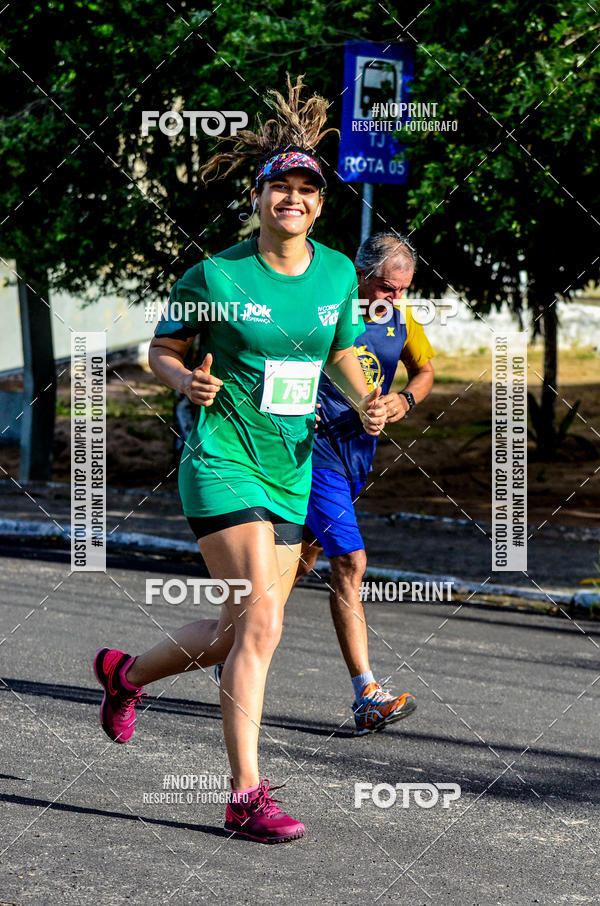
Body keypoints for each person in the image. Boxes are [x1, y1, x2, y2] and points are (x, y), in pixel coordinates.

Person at [92, 74, 386, 844]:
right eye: (279, 187)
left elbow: (345, 349)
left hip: (291, 464)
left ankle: (125, 675)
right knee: (261, 623)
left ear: (320, 205)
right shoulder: (215, 274)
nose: (293, 198)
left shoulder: (335, 274)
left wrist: (367, 398)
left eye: (306, 189)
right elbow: (161, 349)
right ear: (257, 198)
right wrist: (182, 378)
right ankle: (245, 795)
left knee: (237, 632)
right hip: (222, 456)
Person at [216, 233, 435, 736]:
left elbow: (424, 370)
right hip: (312, 457)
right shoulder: (318, 311)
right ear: (360, 275)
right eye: (386, 287)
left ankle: (231, 649)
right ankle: (366, 694)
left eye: (403, 289)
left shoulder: (400, 319)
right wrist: (297, 400)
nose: (395, 298)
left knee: (298, 561)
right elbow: (268, 364)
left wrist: (404, 401)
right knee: (351, 562)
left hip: (356, 462)